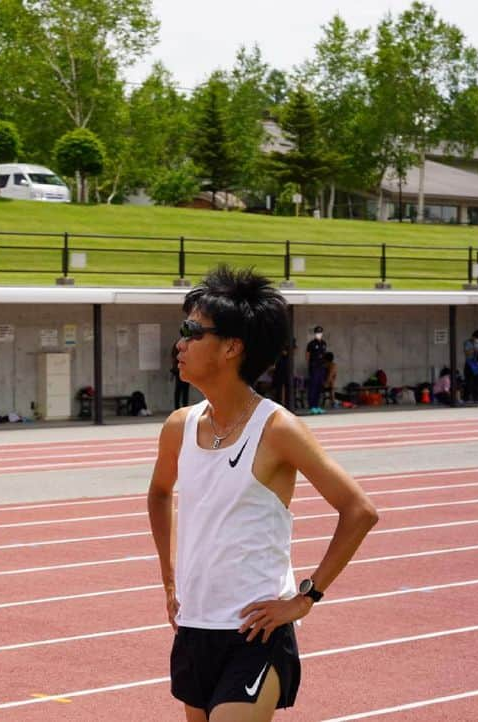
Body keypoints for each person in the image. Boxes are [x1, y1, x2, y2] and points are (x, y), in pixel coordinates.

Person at [147, 266, 379, 722]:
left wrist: (305, 598)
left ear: (232, 347)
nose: (180, 343)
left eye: (192, 332)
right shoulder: (179, 426)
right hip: (195, 627)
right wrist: (169, 577)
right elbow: (158, 494)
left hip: (256, 632)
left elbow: (359, 510)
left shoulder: (277, 429)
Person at [305, 326, 327, 415]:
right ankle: (312, 407)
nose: (319, 334)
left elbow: (324, 355)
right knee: (313, 387)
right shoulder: (311, 344)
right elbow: (307, 355)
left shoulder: (324, 343)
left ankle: (317, 406)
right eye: (318, 332)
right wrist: (310, 365)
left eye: (320, 332)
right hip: (314, 368)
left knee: (319, 387)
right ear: (315, 333)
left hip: (321, 367)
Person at [462, 330, 478, 405]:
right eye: (477, 338)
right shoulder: (468, 342)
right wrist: (474, 349)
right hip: (469, 364)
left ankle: (476, 398)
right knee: (468, 382)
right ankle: (466, 398)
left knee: (477, 382)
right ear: (473, 337)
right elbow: (466, 352)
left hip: (477, 365)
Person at [171, 345, 191, 409]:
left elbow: (173, 359)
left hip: (180, 371)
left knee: (179, 391)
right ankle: (183, 407)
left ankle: (178, 407)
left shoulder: (177, 345)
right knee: (183, 391)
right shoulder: (183, 346)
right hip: (182, 370)